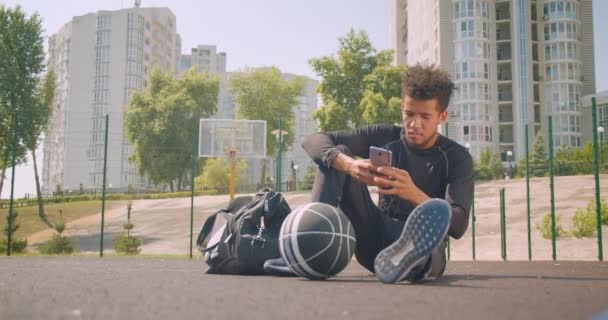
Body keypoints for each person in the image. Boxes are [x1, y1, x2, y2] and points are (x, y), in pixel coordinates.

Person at [285, 64, 474, 283]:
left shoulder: (456, 157)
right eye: (409, 114)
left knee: (430, 252)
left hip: (427, 248)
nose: (414, 124)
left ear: (442, 116)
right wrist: (349, 165)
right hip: (374, 233)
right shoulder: (386, 135)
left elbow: (458, 225)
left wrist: (413, 193)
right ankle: (310, 248)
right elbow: (312, 140)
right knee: (337, 155)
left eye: (425, 117)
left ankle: (409, 259)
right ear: (402, 107)